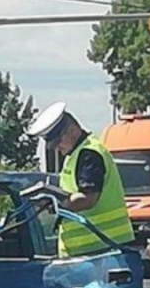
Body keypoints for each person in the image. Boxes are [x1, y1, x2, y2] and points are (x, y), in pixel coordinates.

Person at [27, 102, 135, 257]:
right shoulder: (76, 155)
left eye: (58, 142)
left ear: (71, 130)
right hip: (94, 252)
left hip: (103, 251)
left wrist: (56, 202)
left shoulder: (89, 154)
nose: (57, 148)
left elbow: (88, 198)